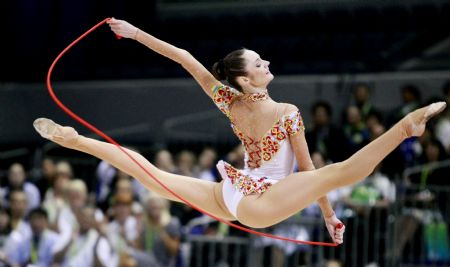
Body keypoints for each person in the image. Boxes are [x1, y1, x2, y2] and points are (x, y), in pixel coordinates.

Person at [33, 18, 446, 246]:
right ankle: (405, 128)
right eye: (259, 64)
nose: (266, 63)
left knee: (150, 177)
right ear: (247, 81)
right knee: (338, 172)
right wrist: (329, 214)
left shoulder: (227, 101)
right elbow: (308, 170)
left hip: (230, 194)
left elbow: (185, 59)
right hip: (259, 200)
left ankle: (77, 141)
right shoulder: (287, 112)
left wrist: (135, 33)